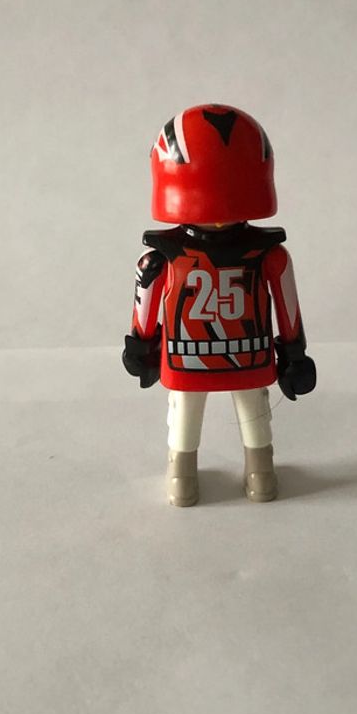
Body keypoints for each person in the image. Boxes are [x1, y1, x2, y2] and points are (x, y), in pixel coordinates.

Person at [122, 104, 316, 506]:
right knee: (215, 410)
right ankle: (226, 472)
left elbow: (145, 307)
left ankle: (218, 474)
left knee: (218, 410)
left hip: (196, 354)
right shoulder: (265, 256)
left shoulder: (162, 258)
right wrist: (293, 351)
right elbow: (288, 309)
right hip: (238, 353)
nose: (217, 217)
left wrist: (141, 343)